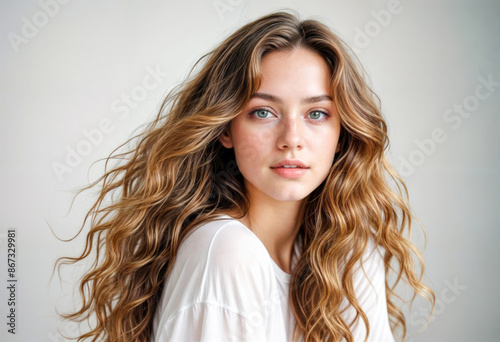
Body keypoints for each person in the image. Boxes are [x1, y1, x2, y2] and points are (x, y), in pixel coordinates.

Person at [56, 9, 435, 342]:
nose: (292, 140)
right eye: (263, 112)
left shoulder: (348, 251)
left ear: (343, 134)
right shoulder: (225, 251)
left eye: (316, 114)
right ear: (225, 128)